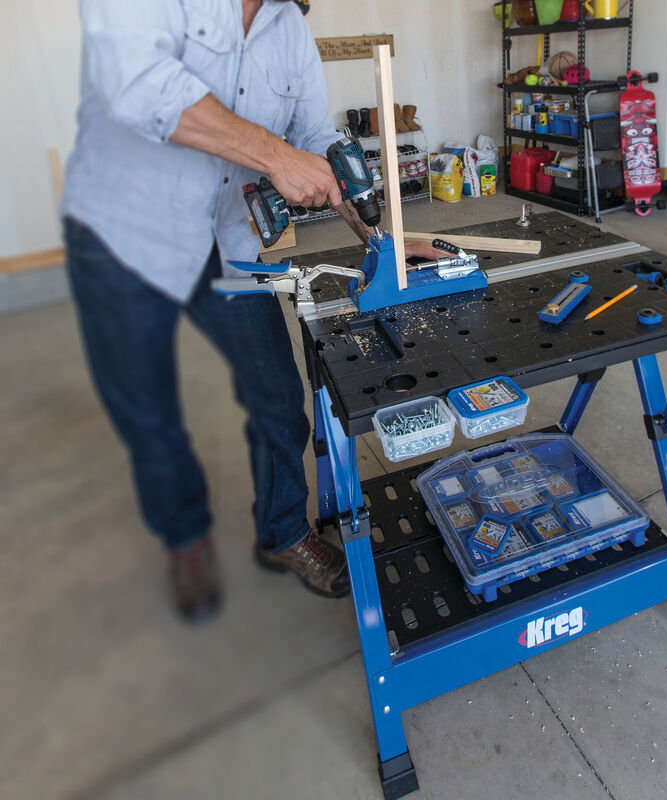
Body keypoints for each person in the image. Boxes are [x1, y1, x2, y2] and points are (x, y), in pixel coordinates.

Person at [63, 0, 440, 622]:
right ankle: (184, 538)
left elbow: (316, 137)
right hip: (124, 236)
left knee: (274, 398)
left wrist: (377, 233)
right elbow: (139, 83)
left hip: (227, 244)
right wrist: (275, 157)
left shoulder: (288, 26)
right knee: (149, 410)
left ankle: (283, 533)